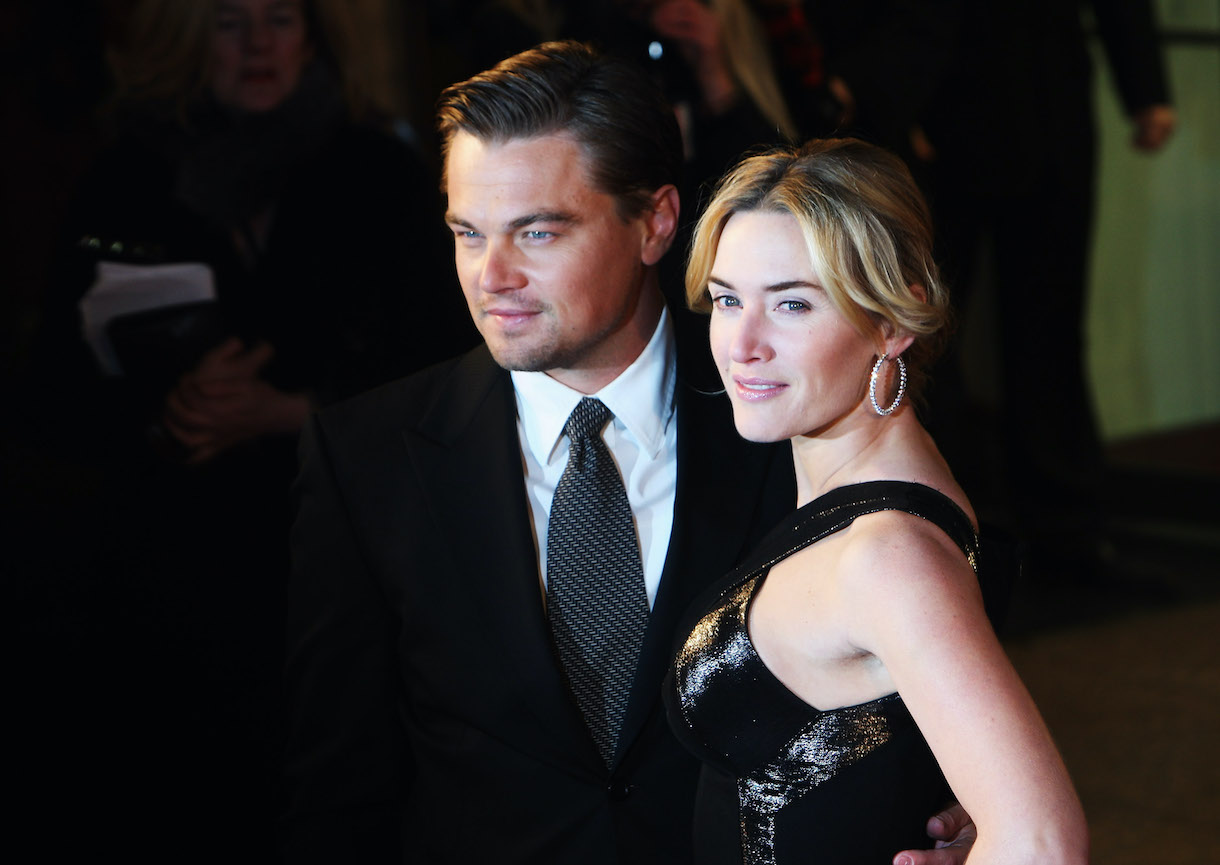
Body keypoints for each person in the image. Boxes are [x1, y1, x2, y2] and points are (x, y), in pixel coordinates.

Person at [283, 41, 977, 864]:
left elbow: (937, 619)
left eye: (538, 231)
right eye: (468, 233)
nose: (491, 275)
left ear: (655, 222)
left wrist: (954, 803)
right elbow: (337, 789)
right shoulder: (366, 457)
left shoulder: (789, 406)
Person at [664, 138, 1089, 864]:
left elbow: (1043, 844)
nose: (742, 343)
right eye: (728, 299)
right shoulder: (882, 498)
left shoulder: (887, 554)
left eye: (792, 303)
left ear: (894, 321)